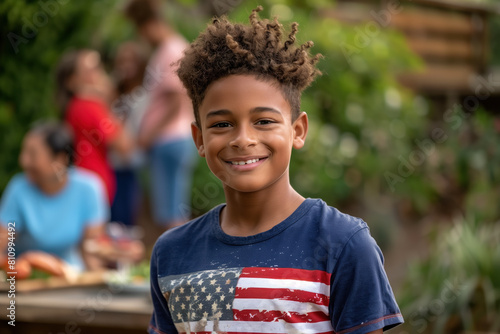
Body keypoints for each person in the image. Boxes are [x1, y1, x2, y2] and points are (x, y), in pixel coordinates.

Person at [147, 7, 404, 334]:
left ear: (297, 130)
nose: (243, 139)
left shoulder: (344, 245)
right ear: (199, 139)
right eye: (222, 124)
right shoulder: (172, 253)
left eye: (264, 121)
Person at [124, 0, 197, 228]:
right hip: (172, 138)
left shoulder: (171, 50)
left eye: (140, 29)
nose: (142, 36)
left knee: (171, 211)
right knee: (171, 206)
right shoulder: (171, 49)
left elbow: (177, 99)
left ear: (150, 24)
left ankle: (178, 262)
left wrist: (149, 135)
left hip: (169, 138)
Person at [0, 122, 108, 271]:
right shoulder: (18, 189)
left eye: (32, 154)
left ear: (60, 159)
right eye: (23, 153)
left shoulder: (89, 189)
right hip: (26, 276)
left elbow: (91, 249)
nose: (23, 161)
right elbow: (4, 241)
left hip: (70, 274)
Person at [55, 49, 134, 205]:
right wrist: (108, 101)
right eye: (93, 70)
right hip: (94, 182)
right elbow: (124, 146)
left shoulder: (75, 106)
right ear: (73, 81)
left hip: (83, 180)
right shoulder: (91, 106)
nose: (101, 75)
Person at [109, 41, 149, 226]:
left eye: (131, 61)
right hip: (111, 161)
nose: (126, 66)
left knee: (128, 214)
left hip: (134, 162)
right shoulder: (114, 92)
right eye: (122, 61)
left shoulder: (146, 93)